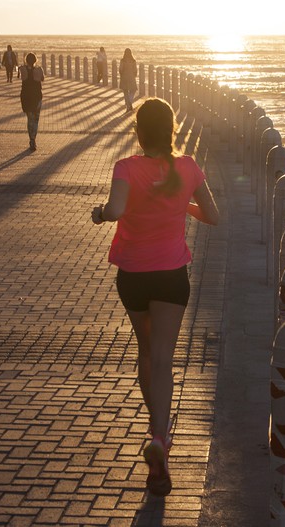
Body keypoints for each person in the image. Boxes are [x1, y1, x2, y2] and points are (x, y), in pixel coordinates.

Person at [90, 98, 219, 496]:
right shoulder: (188, 166)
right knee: (164, 358)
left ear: (139, 131)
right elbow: (213, 215)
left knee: (146, 351)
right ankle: (159, 438)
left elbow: (113, 209)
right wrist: (184, 207)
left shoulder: (126, 167)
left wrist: (99, 214)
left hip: (133, 275)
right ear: (172, 130)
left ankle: (154, 430)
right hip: (171, 276)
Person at [19, 53, 45, 151]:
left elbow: (20, 76)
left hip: (26, 97)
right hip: (37, 97)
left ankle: (31, 139)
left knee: (29, 119)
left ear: (26, 60)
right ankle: (33, 138)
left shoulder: (23, 69)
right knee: (36, 119)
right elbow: (42, 79)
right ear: (35, 60)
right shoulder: (39, 70)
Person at [119, 48, 138, 112]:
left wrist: (121, 75)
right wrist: (135, 75)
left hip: (124, 77)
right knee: (133, 90)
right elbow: (135, 69)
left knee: (125, 91)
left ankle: (128, 104)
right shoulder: (133, 61)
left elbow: (120, 69)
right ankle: (129, 102)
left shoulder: (122, 60)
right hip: (131, 77)